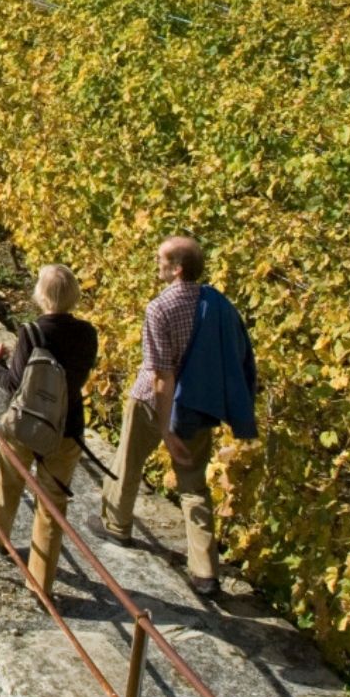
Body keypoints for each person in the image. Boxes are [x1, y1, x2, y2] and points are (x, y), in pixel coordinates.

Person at [100, 235, 258, 597]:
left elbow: (161, 375)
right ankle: (204, 571)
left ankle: (117, 525)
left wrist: (164, 425)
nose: (156, 262)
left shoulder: (160, 309)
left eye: (161, 258)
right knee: (193, 485)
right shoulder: (218, 304)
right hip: (197, 408)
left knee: (129, 461)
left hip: (153, 402)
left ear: (177, 269)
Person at [0, 263, 98, 603]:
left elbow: (14, 384)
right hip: (66, 428)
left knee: (10, 481)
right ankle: (40, 583)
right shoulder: (88, 334)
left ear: (41, 295)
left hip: (26, 425)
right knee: (52, 505)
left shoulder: (32, 333)